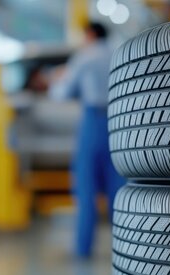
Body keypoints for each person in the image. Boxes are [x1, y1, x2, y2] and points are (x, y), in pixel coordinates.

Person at [50, 22, 125, 258]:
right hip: (118, 123)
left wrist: (56, 78)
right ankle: (124, 248)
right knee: (119, 190)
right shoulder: (119, 53)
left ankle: (83, 249)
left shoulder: (84, 57)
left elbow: (61, 93)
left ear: (91, 34)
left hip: (93, 123)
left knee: (86, 187)